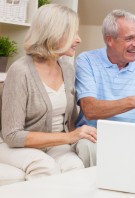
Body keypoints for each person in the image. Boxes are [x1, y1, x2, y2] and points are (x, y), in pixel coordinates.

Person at [0, 4, 97, 180]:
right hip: (16, 147)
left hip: (54, 144)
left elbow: (71, 122)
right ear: (54, 33)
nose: (79, 39)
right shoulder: (20, 71)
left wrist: (79, 135)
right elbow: (12, 135)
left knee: (75, 166)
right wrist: (68, 138)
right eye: (73, 33)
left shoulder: (67, 69)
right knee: (46, 167)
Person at [75, 9, 135, 167]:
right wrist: (132, 102)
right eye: (129, 38)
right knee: (85, 146)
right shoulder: (87, 60)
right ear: (109, 40)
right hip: (95, 136)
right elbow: (89, 110)